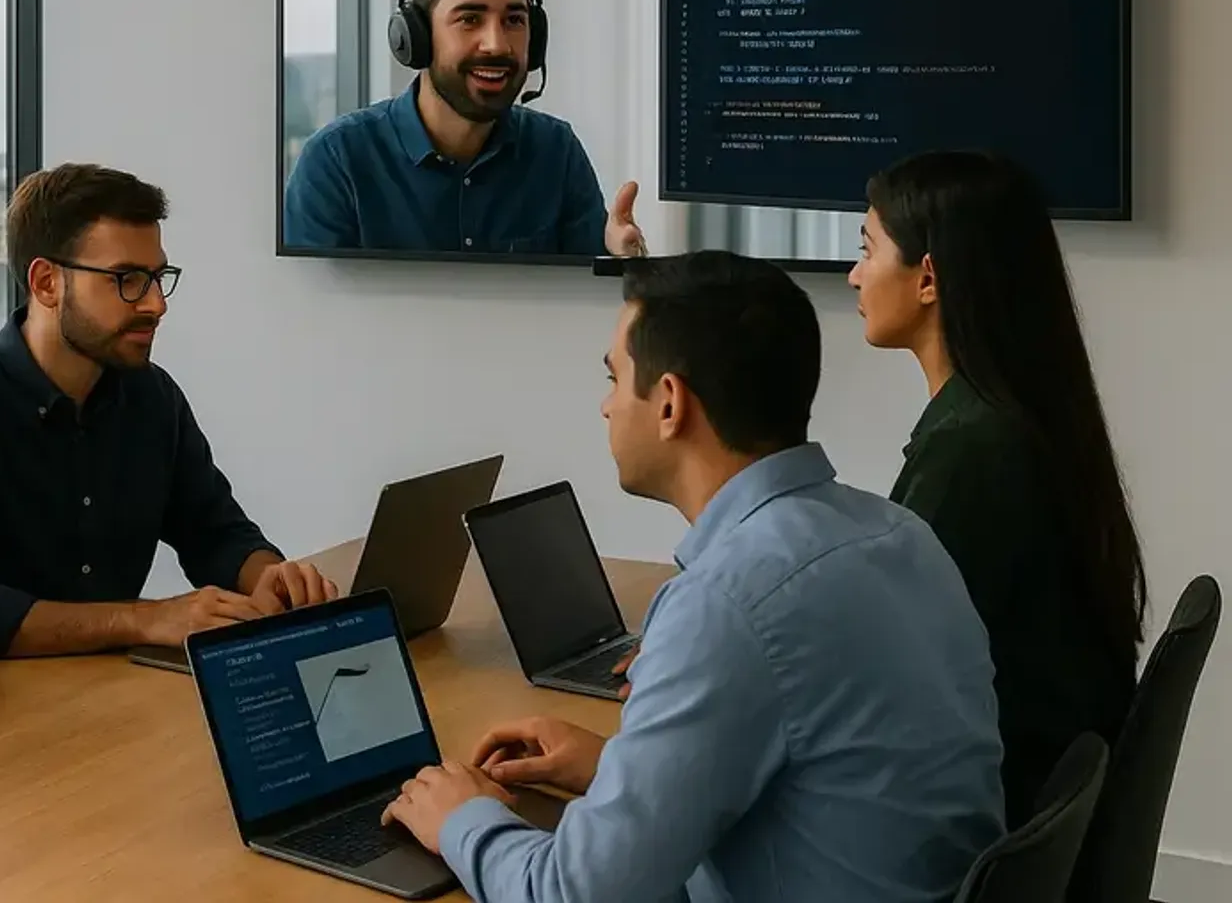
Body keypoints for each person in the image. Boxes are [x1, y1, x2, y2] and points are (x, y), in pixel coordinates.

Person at [380, 251, 1004, 903]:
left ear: (670, 403)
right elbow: (830, 777)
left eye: (615, 378)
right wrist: (619, 771)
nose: (604, 406)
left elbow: (572, 894)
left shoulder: (728, 603)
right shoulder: (900, 535)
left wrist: (464, 818)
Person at [0, 163, 336, 661]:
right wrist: (144, 618)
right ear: (46, 284)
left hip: (113, 690)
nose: (155, 304)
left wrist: (271, 577)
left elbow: (213, 530)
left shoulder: (151, 397)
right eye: (127, 279)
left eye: (157, 277)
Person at [851, 149, 1146, 823]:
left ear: (928, 278)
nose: (854, 274)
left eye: (866, 250)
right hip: (1036, 813)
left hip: (977, 815)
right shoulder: (1017, 414)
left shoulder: (973, 447)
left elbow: (885, 660)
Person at [282, 0, 646, 258]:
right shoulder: (337, 162)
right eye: (470, 19)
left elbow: (584, 314)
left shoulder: (556, 152)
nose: (497, 44)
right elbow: (307, 321)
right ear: (416, 37)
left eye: (514, 20)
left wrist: (621, 269)